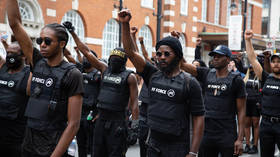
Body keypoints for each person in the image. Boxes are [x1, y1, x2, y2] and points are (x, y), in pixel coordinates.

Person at [119, 9, 205, 157]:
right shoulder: (152, 75)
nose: (161, 57)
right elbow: (130, 53)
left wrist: (193, 151)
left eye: (167, 54)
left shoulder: (190, 83)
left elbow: (198, 118)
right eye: (159, 54)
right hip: (153, 144)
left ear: (177, 56)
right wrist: (125, 24)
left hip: (177, 147)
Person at [7, 1, 84, 157]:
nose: (42, 44)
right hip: (28, 143)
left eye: (47, 41)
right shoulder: (37, 62)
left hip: (51, 146)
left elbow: (74, 124)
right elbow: (15, 24)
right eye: (40, 40)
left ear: (62, 44)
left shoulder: (72, 74)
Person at [63, 21, 139, 157]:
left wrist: (134, 127)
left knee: (115, 153)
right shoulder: (104, 69)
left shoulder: (130, 77)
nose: (115, 61)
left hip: (118, 122)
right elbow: (86, 52)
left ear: (124, 61)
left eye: (118, 59)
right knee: (97, 152)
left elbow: (134, 103)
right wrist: (73, 32)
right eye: (113, 58)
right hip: (101, 120)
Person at [180, 45, 246, 157]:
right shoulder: (206, 73)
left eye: (219, 56)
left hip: (227, 133)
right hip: (207, 132)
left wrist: (240, 139)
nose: (215, 58)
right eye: (214, 56)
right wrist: (176, 44)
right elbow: (183, 65)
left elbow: (242, 111)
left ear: (228, 59)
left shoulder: (236, 80)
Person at [63, 22, 101, 157]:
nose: (84, 59)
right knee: (81, 145)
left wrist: (98, 113)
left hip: (93, 116)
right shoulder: (79, 69)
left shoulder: (99, 75)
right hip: (80, 114)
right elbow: (68, 55)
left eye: (87, 57)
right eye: (84, 57)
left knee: (92, 146)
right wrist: (62, 40)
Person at [245, 30, 280, 157]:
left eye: (279, 61)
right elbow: (253, 59)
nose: (276, 63)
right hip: (265, 124)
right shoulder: (266, 77)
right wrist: (248, 40)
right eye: (274, 61)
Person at [0, 41, 31, 157]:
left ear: (23, 56)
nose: (9, 56)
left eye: (13, 53)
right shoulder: (2, 66)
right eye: (7, 53)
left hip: (17, 134)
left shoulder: (29, 73)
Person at [243, 66, 261, 154]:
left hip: (256, 103)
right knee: (246, 124)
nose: (251, 69)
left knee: (255, 124)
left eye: (253, 67)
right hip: (246, 103)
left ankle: (255, 146)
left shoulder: (259, 77)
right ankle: (247, 145)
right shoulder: (246, 77)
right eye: (250, 68)